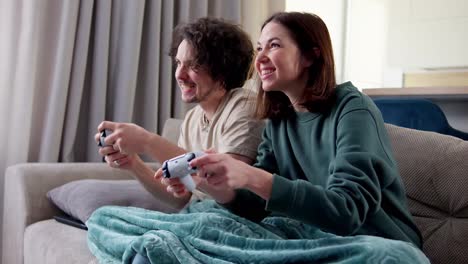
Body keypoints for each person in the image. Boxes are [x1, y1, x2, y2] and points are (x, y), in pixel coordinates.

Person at [87, 12, 429, 263]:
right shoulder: (279, 118)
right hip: (300, 238)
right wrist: (218, 188)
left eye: (275, 45)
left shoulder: (352, 109)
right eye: (260, 47)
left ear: (311, 55)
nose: (261, 57)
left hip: (366, 241)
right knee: (104, 220)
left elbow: (347, 210)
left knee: (394, 260)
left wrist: (253, 176)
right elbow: (253, 208)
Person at [95, 17, 264, 210]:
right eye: (178, 63)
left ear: (223, 69)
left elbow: (226, 183)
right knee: (104, 217)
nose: (179, 75)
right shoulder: (192, 120)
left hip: (233, 217)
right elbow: (182, 198)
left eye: (194, 66)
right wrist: (133, 163)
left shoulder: (245, 105)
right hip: (199, 214)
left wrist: (147, 141)